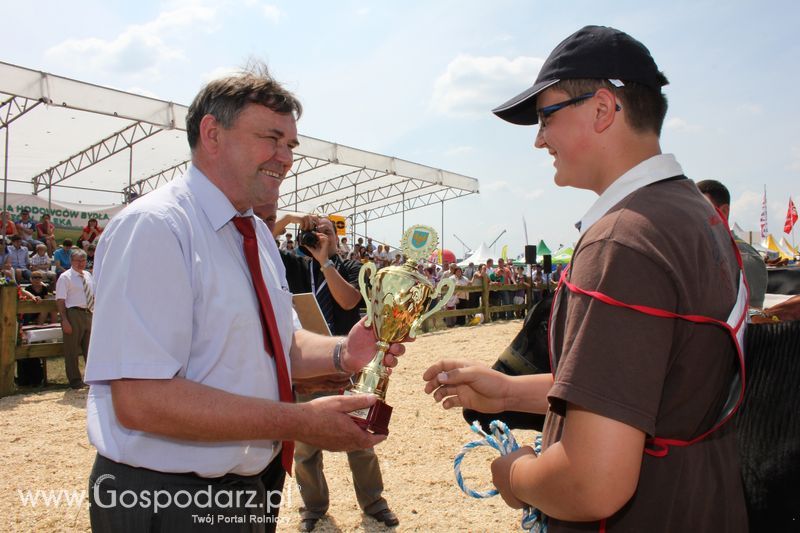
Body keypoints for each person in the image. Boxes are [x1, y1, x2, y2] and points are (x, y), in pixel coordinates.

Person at [423, 26, 747, 532]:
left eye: (545, 116)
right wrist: (508, 393)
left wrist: (516, 475)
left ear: (601, 109)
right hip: (701, 501)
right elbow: (641, 387)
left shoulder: (622, 242)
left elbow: (592, 482)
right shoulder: (692, 215)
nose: (538, 138)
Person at [84, 64, 405, 532]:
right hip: (166, 496)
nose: (285, 157)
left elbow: (280, 346)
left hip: (250, 484)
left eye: (290, 145)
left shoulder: (252, 231)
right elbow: (141, 399)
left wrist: (344, 352)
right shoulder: (156, 227)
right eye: (270, 139)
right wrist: (298, 422)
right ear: (212, 134)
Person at [268, 213, 398, 532]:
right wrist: (290, 218)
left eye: (327, 231)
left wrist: (326, 261)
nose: (320, 236)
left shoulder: (350, 267)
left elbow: (348, 300)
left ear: (338, 239)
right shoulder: (292, 265)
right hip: (308, 365)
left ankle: (374, 502)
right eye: (314, 232)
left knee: (360, 437)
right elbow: (261, 237)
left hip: (349, 364)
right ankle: (313, 507)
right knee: (305, 445)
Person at [696, 179, 768, 308]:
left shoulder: (744, 258)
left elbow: (751, 317)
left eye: (700, 208)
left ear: (723, 211)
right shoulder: (698, 251)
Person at [55, 249, 93, 389]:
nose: (81, 263)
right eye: (78, 261)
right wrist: (64, 320)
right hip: (73, 313)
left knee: (90, 348)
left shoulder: (88, 275)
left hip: (88, 312)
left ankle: (92, 378)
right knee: (71, 349)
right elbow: (60, 300)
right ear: (71, 261)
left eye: (83, 260)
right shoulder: (65, 277)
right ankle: (75, 380)